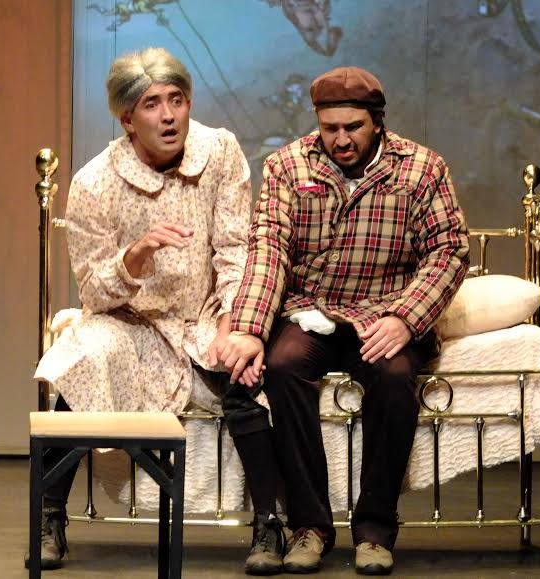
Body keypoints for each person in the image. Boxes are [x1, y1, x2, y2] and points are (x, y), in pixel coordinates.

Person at [32, 47, 280, 575]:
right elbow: (94, 293)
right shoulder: (95, 183)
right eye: (152, 104)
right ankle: (49, 517)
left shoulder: (219, 153)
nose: (169, 116)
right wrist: (136, 255)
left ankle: (269, 523)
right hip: (131, 320)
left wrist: (234, 323)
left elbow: (236, 249)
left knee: (244, 373)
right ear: (128, 119)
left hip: (206, 313)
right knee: (82, 363)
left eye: (177, 100)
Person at [219, 66, 470, 575]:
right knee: (283, 368)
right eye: (329, 128)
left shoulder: (421, 169)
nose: (340, 139)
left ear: (376, 121)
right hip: (313, 309)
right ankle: (309, 526)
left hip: (384, 310)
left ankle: (374, 530)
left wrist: (406, 318)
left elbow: (448, 251)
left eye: (352, 127)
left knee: (395, 376)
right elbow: (269, 249)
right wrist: (249, 328)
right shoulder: (289, 165)